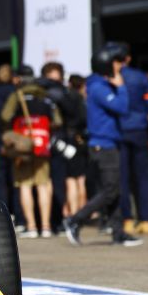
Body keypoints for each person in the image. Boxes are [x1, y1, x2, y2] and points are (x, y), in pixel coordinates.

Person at [63, 46, 143, 247]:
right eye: (116, 62)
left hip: (108, 143)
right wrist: (121, 86)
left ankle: (118, 233)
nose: (120, 66)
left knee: (114, 189)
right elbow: (122, 108)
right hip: (103, 144)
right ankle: (75, 220)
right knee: (110, 190)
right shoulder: (99, 87)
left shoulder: (99, 84)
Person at [1, 65, 62, 238]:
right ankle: (47, 226)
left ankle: (32, 227)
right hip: (41, 143)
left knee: (25, 185)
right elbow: (57, 121)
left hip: (23, 146)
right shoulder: (45, 97)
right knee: (43, 184)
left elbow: (5, 116)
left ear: (19, 79)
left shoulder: (17, 96)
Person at [104, 43, 148, 236]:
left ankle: (127, 219)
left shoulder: (108, 79)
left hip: (118, 131)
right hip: (140, 130)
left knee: (123, 179)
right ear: (128, 58)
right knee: (144, 177)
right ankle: (146, 220)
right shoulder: (141, 77)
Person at [0, 64, 23, 225]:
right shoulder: (17, 95)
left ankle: (3, 215)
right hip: (16, 139)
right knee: (17, 178)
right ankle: (20, 215)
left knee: (0, 179)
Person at [38, 62, 68, 233]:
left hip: (44, 143)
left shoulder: (36, 93)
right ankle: (53, 222)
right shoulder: (59, 94)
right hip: (50, 141)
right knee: (53, 183)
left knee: (47, 184)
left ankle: (49, 222)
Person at [61, 74, 89, 216]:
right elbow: (85, 119)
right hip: (79, 140)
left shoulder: (64, 99)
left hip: (67, 140)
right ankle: (81, 212)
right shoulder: (81, 100)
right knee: (81, 179)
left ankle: (73, 212)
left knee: (71, 179)